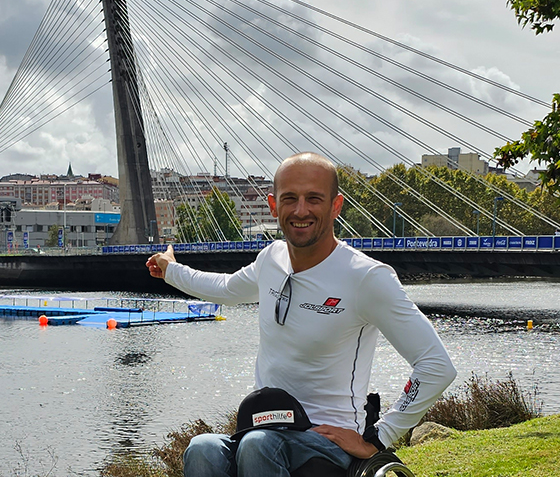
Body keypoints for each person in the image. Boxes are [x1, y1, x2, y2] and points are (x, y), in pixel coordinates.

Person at [146, 152, 456, 477]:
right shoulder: (272, 259)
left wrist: (381, 436)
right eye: (290, 199)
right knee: (202, 449)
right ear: (273, 205)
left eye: (314, 199)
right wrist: (171, 271)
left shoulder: (366, 277)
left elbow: (436, 366)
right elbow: (224, 288)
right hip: (265, 428)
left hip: (331, 444)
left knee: (256, 446)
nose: (301, 210)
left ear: (336, 206)